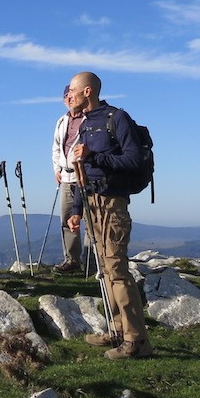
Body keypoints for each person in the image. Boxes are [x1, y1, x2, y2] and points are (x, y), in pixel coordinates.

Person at [65, 71, 154, 360]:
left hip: (112, 203)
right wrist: (76, 209)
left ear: (88, 92)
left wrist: (95, 156)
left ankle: (137, 341)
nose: (70, 96)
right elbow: (82, 171)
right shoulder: (86, 124)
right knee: (104, 270)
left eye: (73, 92)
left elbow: (132, 158)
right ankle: (116, 330)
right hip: (91, 203)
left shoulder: (117, 118)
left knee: (116, 269)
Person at [52, 84, 86, 274]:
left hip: (85, 176)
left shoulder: (89, 119)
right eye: (66, 95)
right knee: (67, 219)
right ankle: (72, 260)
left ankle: (92, 262)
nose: (69, 98)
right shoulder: (61, 121)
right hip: (66, 176)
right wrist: (57, 168)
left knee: (90, 220)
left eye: (72, 94)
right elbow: (57, 147)